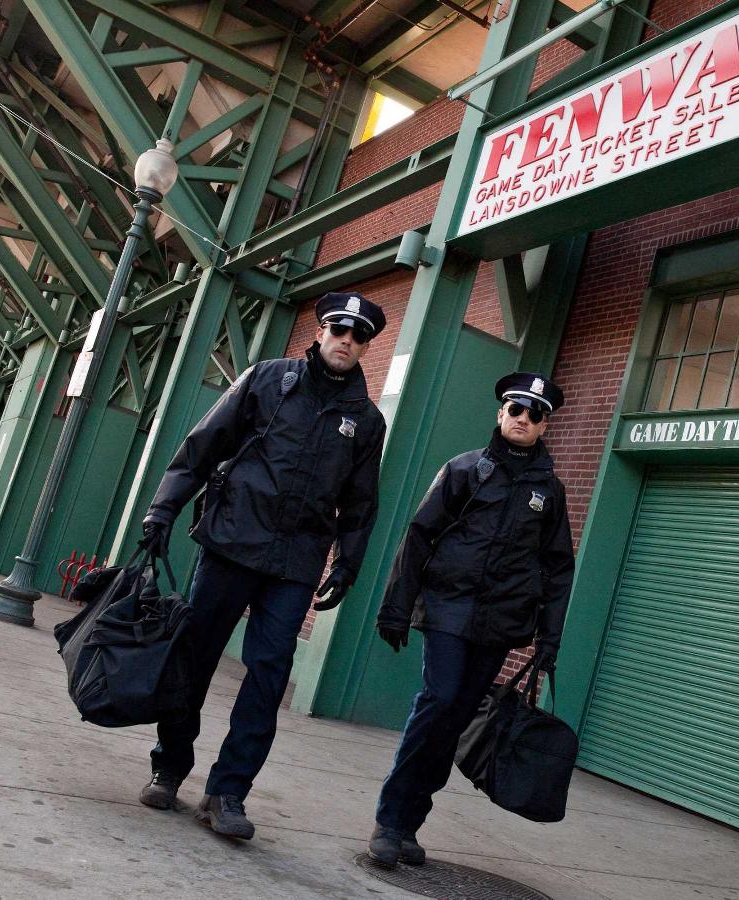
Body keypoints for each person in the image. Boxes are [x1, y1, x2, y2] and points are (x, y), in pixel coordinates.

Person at [137, 291, 388, 840]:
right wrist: (162, 509)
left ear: (367, 347)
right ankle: (170, 766)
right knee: (193, 661)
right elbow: (201, 447)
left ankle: (227, 792)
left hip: (294, 564)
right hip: (231, 542)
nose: (347, 341)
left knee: (269, 677)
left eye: (359, 336)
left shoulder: (367, 421)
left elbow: (361, 501)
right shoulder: (267, 380)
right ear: (320, 332)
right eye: (339, 329)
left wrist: (347, 563)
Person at [369, 371, 575, 867]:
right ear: (501, 413)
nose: (524, 419)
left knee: (458, 716)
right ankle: (390, 821)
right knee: (438, 701)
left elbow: (558, 568)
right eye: (516, 409)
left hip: (501, 621)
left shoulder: (549, 492)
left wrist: (549, 639)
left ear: (545, 425)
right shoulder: (464, 470)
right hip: (448, 607)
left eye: (535, 414)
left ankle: (410, 825)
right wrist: (397, 605)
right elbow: (419, 535)